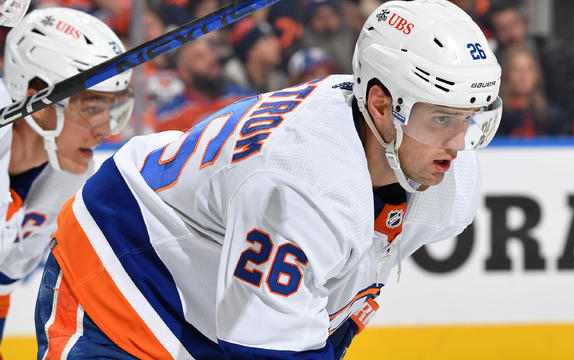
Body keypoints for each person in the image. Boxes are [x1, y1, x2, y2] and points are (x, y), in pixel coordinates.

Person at [34, 0, 502, 359]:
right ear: (381, 105)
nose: (459, 144)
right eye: (441, 119)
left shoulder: (444, 172)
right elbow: (264, 348)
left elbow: (329, 309)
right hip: (121, 270)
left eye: (472, 119)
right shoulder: (304, 183)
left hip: (216, 294)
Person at [0, 6, 133, 348]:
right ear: (37, 102)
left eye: (113, 109)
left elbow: (2, 287)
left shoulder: (68, 178)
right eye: (92, 108)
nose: (105, 130)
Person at [496, 45, 565, 137]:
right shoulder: (494, 118)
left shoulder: (552, 116)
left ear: (537, 75)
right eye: (516, 69)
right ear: (506, 74)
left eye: (529, 68)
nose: (523, 74)